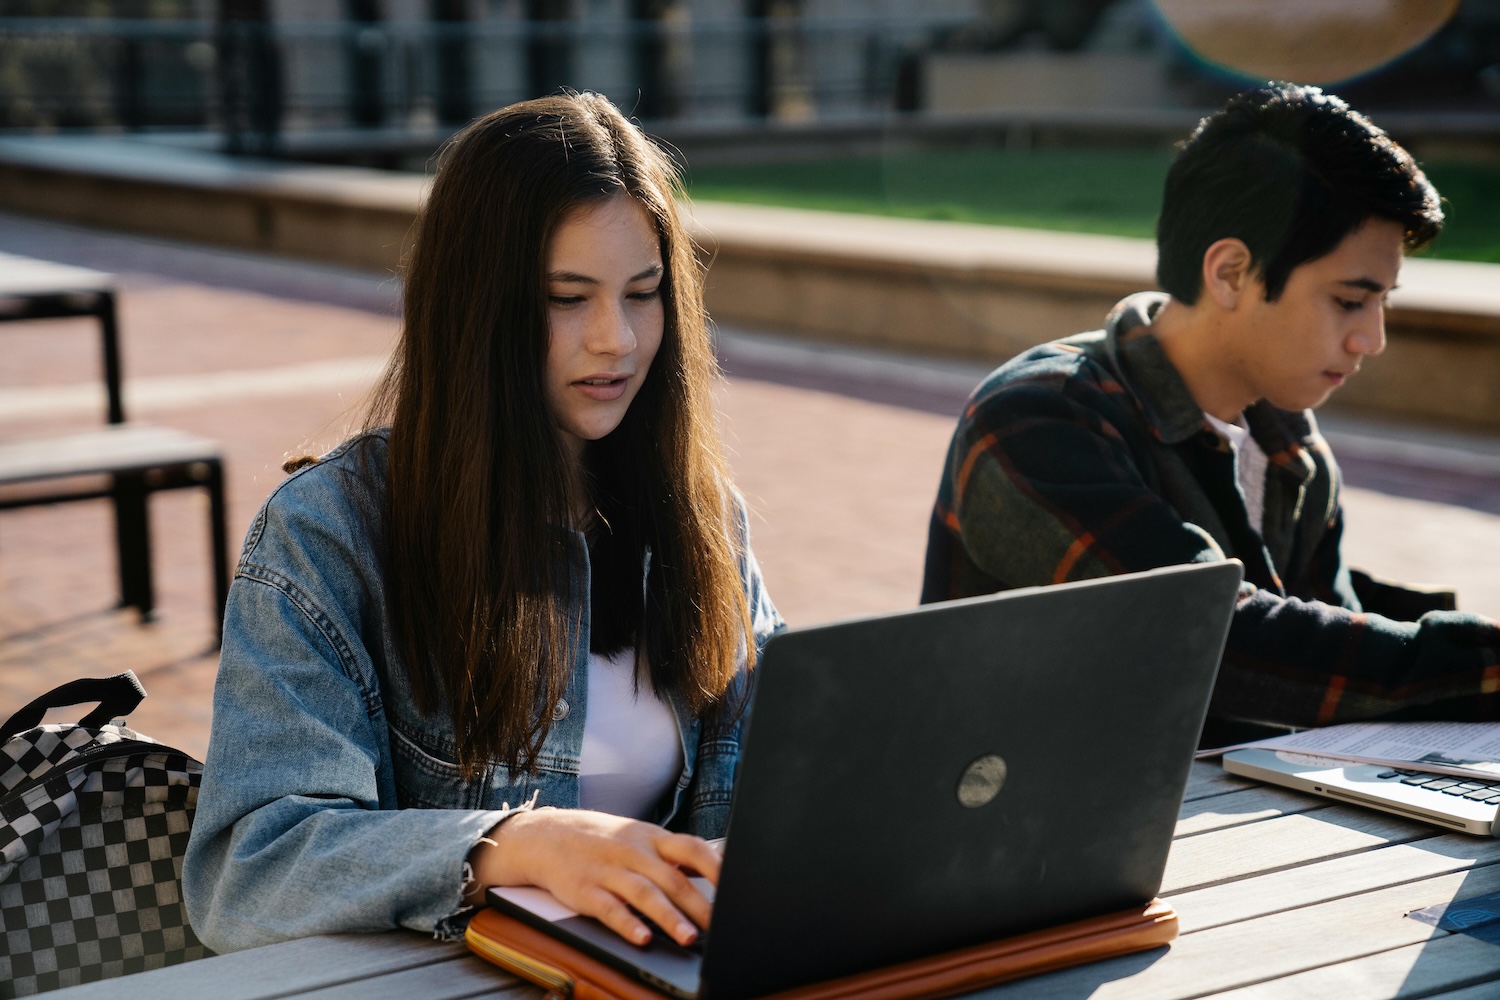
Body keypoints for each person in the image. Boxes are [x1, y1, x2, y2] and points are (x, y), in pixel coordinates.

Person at [183, 93, 783, 954]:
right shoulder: (328, 536)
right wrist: (510, 848)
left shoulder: (699, 516)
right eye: (566, 299)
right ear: (475, 312)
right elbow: (248, 868)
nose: (616, 339)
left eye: (643, 294)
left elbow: (780, 767)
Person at [921, 83, 1500, 747]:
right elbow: (1211, 638)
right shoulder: (1035, 420)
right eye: (1348, 301)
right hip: (1017, 827)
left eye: (1382, 303)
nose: (1372, 339)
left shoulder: (1287, 446)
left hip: (1225, 816)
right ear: (1230, 273)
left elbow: (1337, 657)